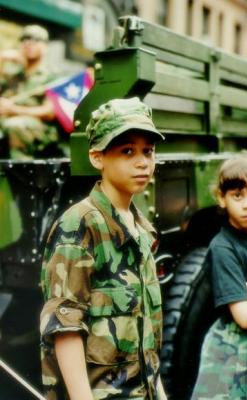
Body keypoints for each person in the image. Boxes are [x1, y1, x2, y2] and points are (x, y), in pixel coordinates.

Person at [40, 97, 168, 400]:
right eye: (127, 151)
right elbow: (66, 329)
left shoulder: (140, 229)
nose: (142, 162)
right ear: (98, 157)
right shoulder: (81, 225)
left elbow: (144, 334)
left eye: (147, 151)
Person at [191, 151, 247, 399]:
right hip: (242, 352)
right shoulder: (223, 247)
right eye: (237, 195)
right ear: (221, 199)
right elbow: (244, 315)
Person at [0, 24, 63, 159]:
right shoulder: (13, 75)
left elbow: (50, 112)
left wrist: (13, 109)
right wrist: (2, 59)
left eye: (35, 39)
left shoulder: (52, 76)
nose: (28, 43)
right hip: (7, 122)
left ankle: (19, 174)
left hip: (40, 129)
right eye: (24, 39)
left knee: (16, 125)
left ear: (45, 47)